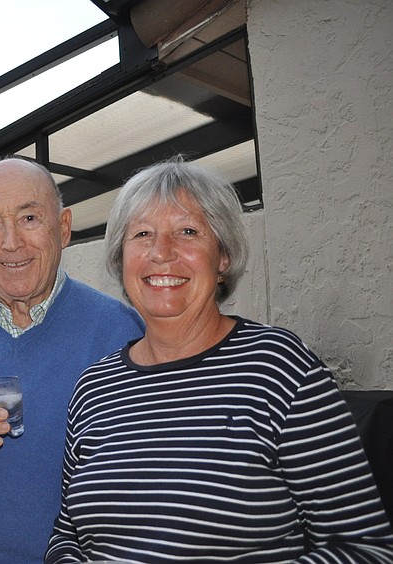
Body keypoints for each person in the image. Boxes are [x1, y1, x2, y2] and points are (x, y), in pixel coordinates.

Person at [45, 156, 393, 562]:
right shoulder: (94, 388)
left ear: (223, 257)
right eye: (142, 234)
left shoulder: (280, 369)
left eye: (188, 231)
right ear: (122, 260)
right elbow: (67, 531)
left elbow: (365, 547)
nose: (162, 252)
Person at [0, 157, 145, 563]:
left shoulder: (120, 330)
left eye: (29, 217)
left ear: (63, 228)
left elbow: (151, 474)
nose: (11, 242)